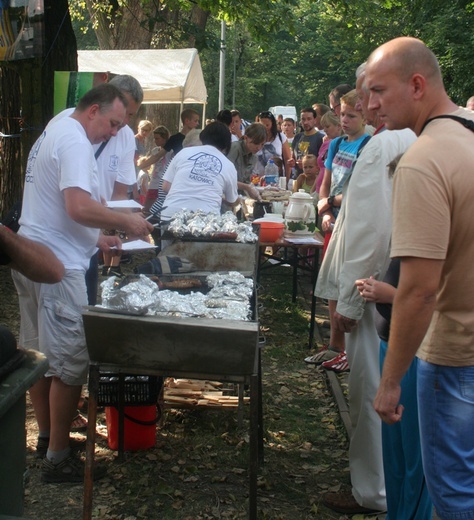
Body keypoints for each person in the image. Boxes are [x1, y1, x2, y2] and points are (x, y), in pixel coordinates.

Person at [12, 83, 153, 484]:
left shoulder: (58, 126)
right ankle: (58, 459)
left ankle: (46, 439)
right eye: (111, 123)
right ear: (92, 110)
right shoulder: (75, 141)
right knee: (70, 364)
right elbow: (77, 206)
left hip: (30, 253)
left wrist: (98, 238)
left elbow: (56, 207)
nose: (112, 133)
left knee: (38, 358)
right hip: (57, 267)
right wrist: (125, 222)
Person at [365, 36, 474, 520]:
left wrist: (390, 382)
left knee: (453, 496)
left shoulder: (423, 159)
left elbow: (419, 289)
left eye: (379, 91)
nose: (371, 105)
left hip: (453, 356)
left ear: (416, 85)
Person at [317, 66, 416, 515]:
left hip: (379, 292)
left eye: (375, 94)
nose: (369, 105)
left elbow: (369, 229)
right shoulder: (418, 139)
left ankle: (371, 491)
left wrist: (352, 302)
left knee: (371, 390)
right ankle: (389, 488)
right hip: (402, 287)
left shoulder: (382, 146)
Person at [356, 258, 433, 520]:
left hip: (418, 353)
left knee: (416, 455)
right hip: (393, 346)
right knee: (395, 452)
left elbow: (432, 298)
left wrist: (390, 294)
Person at [310, 90, 369, 374]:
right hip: (332, 218)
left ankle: (346, 347)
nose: (344, 120)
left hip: (353, 220)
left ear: (365, 116)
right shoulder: (336, 144)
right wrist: (325, 210)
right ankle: (335, 345)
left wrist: (331, 203)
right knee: (332, 279)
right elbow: (327, 182)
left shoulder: (368, 145)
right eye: (342, 114)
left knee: (347, 279)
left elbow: (358, 191)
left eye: (351, 115)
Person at [160, 121, 239, 221]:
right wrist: (237, 200)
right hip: (206, 219)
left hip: (170, 214)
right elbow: (231, 200)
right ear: (227, 143)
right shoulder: (228, 165)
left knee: (168, 236)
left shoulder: (183, 152)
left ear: (202, 137)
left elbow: (165, 186)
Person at [227, 122, 265, 202]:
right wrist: (247, 187)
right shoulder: (235, 148)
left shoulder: (254, 157)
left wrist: (263, 189)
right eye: (255, 143)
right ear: (246, 138)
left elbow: (246, 181)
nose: (258, 147)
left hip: (237, 197)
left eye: (262, 144)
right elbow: (225, 179)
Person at [311, 111, 343, 198]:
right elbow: (321, 169)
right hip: (318, 190)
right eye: (323, 127)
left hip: (331, 193)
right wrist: (312, 190)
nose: (325, 130)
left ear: (338, 126)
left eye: (327, 126)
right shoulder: (325, 143)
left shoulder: (343, 145)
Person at [142, 125, 171, 213]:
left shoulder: (171, 151)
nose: (155, 141)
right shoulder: (155, 150)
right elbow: (152, 160)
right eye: (154, 138)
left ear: (165, 138)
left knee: (157, 209)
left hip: (163, 183)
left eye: (157, 139)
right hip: (154, 182)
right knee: (147, 208)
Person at [288, 107, 324, 179]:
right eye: (303, 119)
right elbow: (293, 157)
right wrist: (292, 162)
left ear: (315, 120)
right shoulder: (297, 137)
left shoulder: (321, 138)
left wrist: (307, 164)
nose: (305, 122)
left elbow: (323, 163)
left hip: (313, 181)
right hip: (297, 178)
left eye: (309, 119)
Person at [256, 111, 292, 181]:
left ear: (272, 124)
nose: (265, 128)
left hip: (277, 179)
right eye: (262, 125)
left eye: (267, 125)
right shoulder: (255, 138)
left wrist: (287, 179)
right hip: (257, 180)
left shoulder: (280, 137)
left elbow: (287, 159)